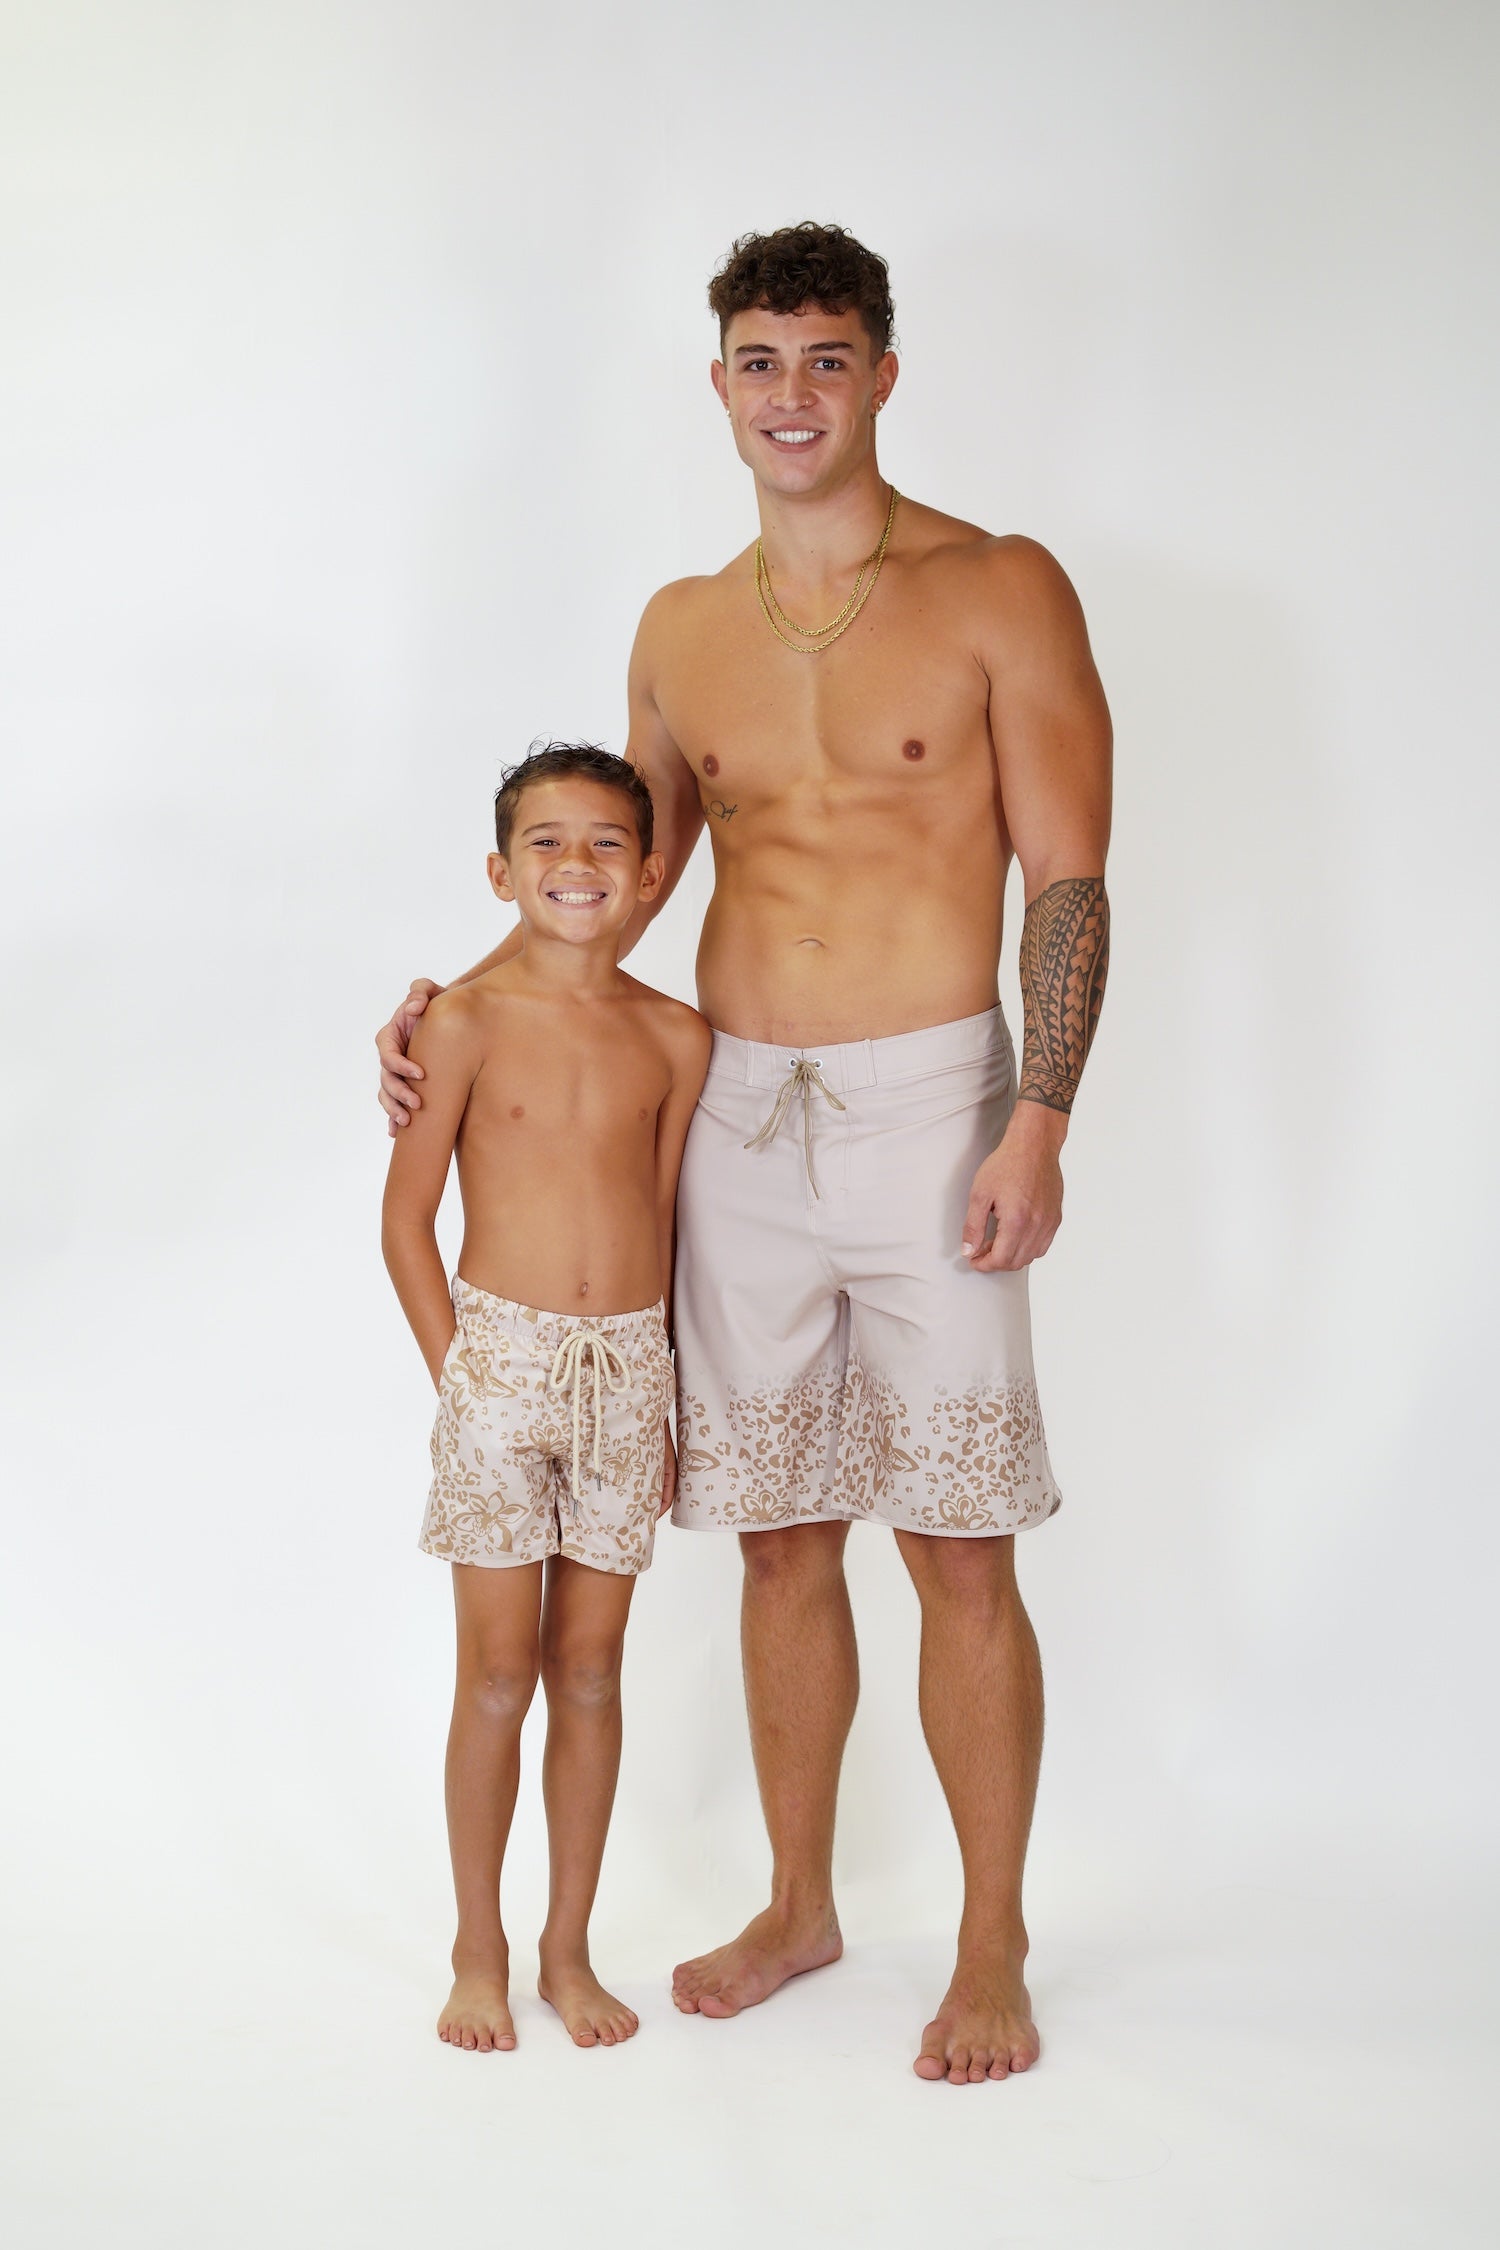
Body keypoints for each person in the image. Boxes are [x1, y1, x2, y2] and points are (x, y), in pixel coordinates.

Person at [377, 223, 1112, 2086]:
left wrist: (1040, 1113)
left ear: (883, 375)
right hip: (734, 1112)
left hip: (932, 1105)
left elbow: (1068, 873)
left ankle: (995, 1941)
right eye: (762, 361)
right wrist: (451, 1011)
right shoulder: (681, 628)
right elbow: (612, 883)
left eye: (828, 357)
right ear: (719, 385)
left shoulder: (999, 586)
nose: (794, 394)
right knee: (780, 1536)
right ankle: (800, 1901)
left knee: (958, 1540)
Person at [382, 741, 711, 2054]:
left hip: (629, 1372)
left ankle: (568, 1948)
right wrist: (459, 1376)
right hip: (499, 1366)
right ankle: (479, 1948)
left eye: (607, 842)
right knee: (498, 1671)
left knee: (590, 1667)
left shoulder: (676, 1035)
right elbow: (406, 1222)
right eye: (548, 842)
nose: (578, 864)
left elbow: (668, 1217)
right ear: (500, 871)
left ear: (651, 874)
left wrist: (669, 1395)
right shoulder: (462, 1021)